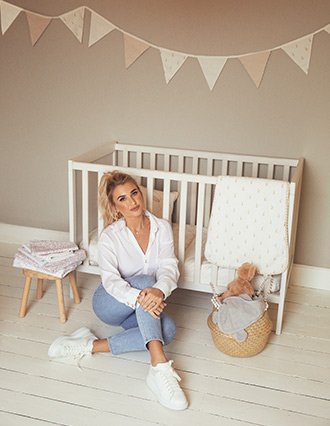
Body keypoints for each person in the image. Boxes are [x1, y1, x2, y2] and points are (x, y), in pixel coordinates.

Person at [48, 171, 188, 411]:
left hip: (140, 307)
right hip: (110, 303)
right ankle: (159, 367)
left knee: (169, 329)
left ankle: (88, 345)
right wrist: (146, 295)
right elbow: (111, 282)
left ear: (141, 194)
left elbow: (168, 266)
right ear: (115, 207)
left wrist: (159, 292)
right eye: (122, 199)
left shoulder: (162, 228)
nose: (132, 202)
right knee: (145, 281)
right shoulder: (110, 237)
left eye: (134, 193)